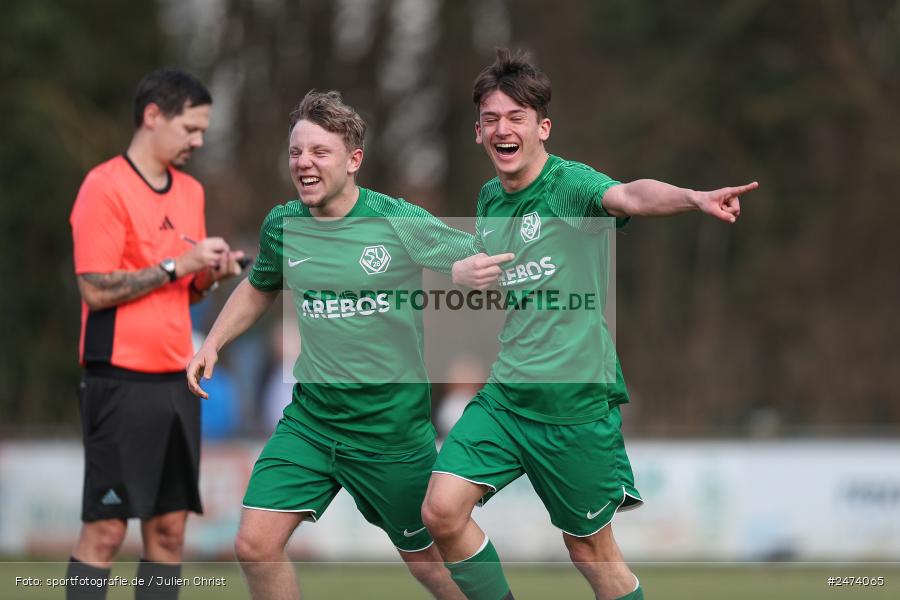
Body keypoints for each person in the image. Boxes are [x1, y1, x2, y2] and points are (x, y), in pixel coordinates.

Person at [421, 48, 759, 600]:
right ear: (478, 132)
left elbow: (630, 194)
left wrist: (693, 198)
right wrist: (464, 270)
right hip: (507, 397)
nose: (503, 129)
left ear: (542, 128)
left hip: (573, 406)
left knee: (591, 554)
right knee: (441, 511)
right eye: (491, 119)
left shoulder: (568, 185)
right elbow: (492, 268)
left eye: (516, 117)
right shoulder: (489, 199)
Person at [187, 90, 469, 600]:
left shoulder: (396, 221)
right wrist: (214, 343)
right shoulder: (284, 224)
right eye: (296, 151)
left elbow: (474, 257)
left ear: (353, 160)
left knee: (429, 564)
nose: (304, 162)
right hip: (313, 424)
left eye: (319, 151)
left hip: (390, 432)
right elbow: (259, 285)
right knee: (254, 544)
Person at [67, 69, 245, 600]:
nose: (199, 141)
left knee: (169, 533)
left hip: (177, 380)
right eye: (191, 128)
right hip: (119, 380)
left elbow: (183, 293)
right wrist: (177, 265)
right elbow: (95, 289)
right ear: (152, 116)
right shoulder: (104, 186)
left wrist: (208, 275)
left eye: (204, 130)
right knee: (106, 532)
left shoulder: (191, 191)